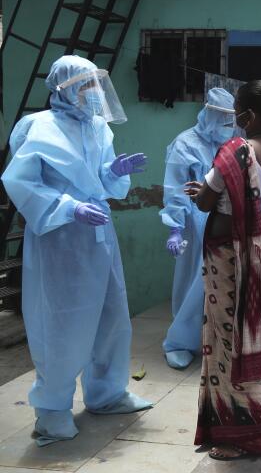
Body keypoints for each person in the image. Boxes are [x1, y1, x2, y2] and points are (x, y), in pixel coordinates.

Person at [1, 55, 151, 446]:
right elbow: (21, 182)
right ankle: (51, 414)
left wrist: (114, 173)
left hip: (99, 235)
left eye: (94, 84)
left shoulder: (98, 127)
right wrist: (69, 207)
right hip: (60, 241)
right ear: (63, 88)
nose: (93, 93)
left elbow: (99, 177)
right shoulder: (38, 127)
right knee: (62, 324)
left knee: (112, 315)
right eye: (84, 86)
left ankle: (107, 393)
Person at [185, 80, 261, 460]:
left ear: (246, 116)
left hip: (234, 258)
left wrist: (202, 191)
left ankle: (238, 434)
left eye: (236, 113)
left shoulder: (236, 152)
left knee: (230, 340)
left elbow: (204, 203)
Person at [159, 88, 236, 369]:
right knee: (193, 282)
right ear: (211, 116)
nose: (230, 127)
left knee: (219, 282)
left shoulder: (228, 144)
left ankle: (211, 337)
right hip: (194, 222)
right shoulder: (185, 145)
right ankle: (179, 342)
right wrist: (175, 228)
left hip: (223, 219)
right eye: (225, 121)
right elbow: (175, 190)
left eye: (233, 121)